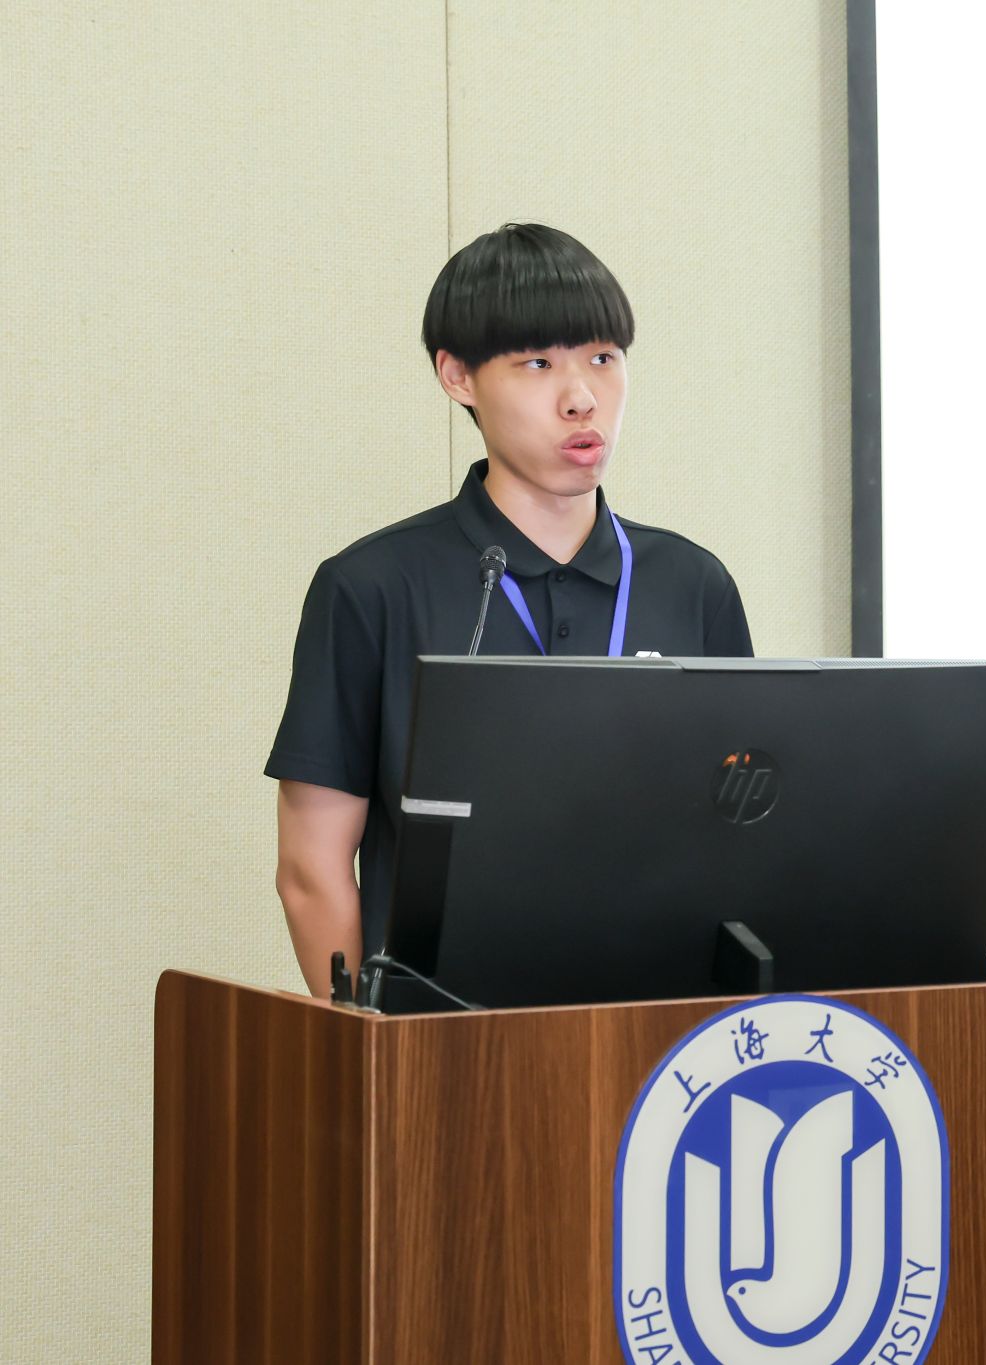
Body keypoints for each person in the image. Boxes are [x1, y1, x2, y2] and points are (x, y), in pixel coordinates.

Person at [266, 223, 752, 996]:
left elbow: (740, 839)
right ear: (458, 375)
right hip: (444, 1035)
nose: (582, 397)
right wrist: (368, 1045)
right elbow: (310, 867)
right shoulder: (372, 587)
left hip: (658, 1030)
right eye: (538, 363)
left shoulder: (693, 585)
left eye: (604, 357)